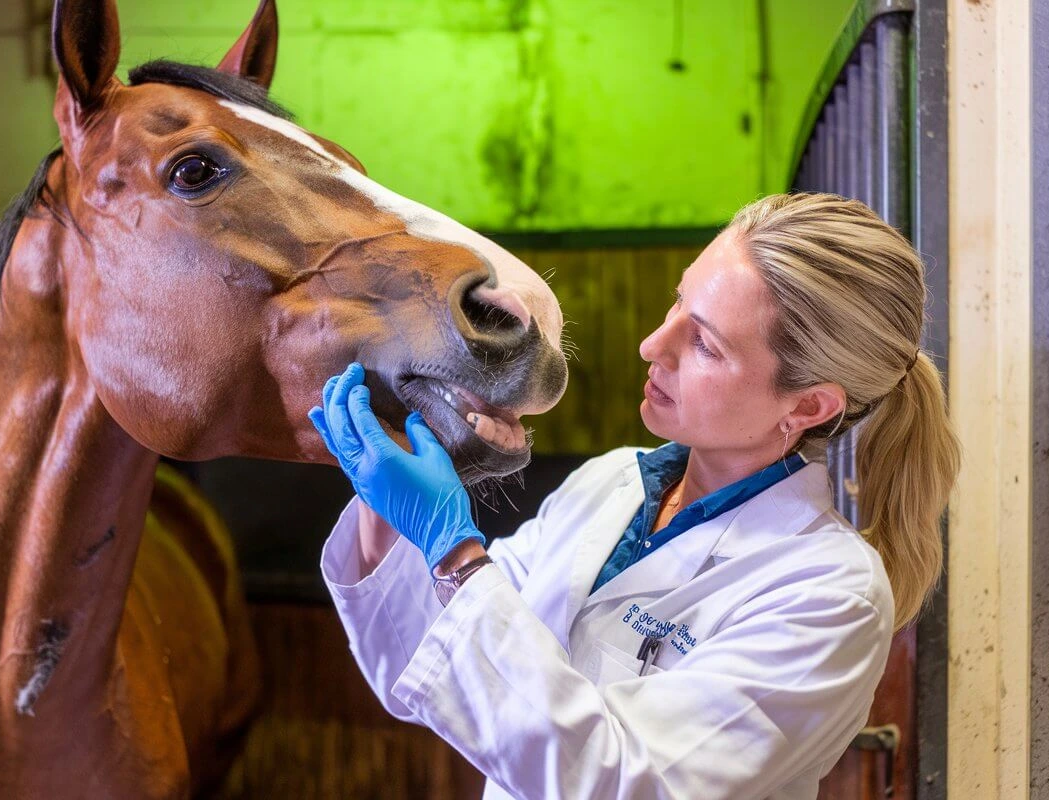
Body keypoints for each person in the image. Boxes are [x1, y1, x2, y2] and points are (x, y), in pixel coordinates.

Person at [308, 193, 961, 800]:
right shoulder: (611, 483)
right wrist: (386, 508)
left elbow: (620, 778)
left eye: (704, 342)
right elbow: (429, 666)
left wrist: (453, 548)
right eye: (679, 303)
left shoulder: (828, 594)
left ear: (809, 405)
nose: (654, 345)